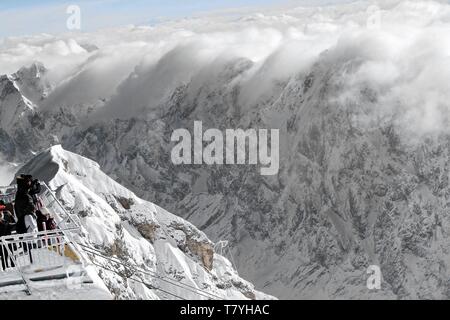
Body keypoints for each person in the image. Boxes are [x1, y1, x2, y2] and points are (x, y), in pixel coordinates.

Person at [0, 201, 16, 270]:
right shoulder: (6, 214)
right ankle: (8, 268)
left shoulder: (7, 214)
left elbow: (13, 224)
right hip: (5, 239)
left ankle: (10, 267)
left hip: (6, 238)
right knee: (6, 255)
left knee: (7, 254)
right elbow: (13, 224)